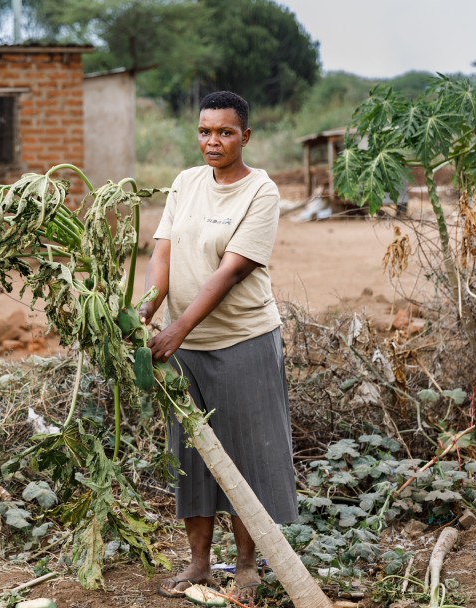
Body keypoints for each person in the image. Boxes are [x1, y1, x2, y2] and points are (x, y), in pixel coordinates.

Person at [139, 91, 298, 603]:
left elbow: (231, 271)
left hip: (242, 340)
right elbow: (162, 252)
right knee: (192, 455)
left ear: (245, 137)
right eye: (206, 131)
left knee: (246, 455)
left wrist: (177, 329)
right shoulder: (186, 183)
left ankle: (248, 566)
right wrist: (144, 310)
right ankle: (200, 564)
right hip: (181, 346)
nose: (214, 141)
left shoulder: (262, 193)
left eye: (225, 132)